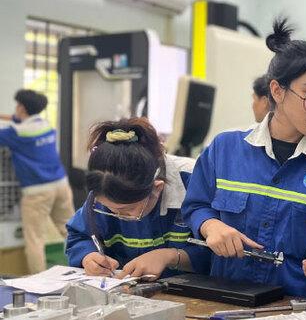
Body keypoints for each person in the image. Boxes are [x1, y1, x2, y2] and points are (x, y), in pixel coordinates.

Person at [182, 17, 306, 301]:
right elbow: (195, 206)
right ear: (277, 90)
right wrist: (211, 226)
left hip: (300, 304)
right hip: (228, 296)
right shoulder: (225, 148)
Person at [65, 118, 210, 279]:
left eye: (126, 211)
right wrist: (87, 256)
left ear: (157, 188)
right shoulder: (102, 190)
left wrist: (170, 256)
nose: (117, 215)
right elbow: (79, 235)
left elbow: (217, 255)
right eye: (108, 209)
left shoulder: (195, 182)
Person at [0, 89, 74, 273]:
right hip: (61, 185)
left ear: (22, 107)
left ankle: (39, 283)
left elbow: (13, 128)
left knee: (35, 239)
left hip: (37, 192)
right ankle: (82, 269)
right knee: (71, 231)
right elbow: (19, 120)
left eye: (17, 105)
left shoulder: (15, 134)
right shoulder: (45, 125)